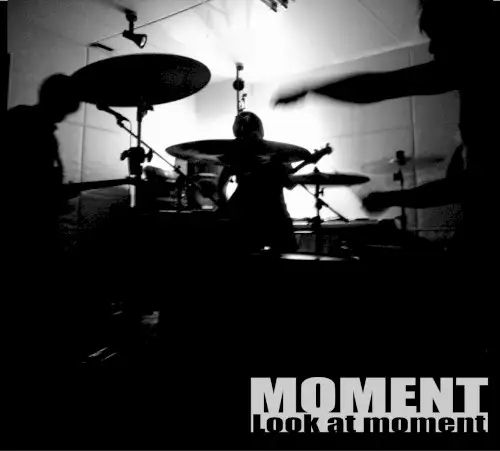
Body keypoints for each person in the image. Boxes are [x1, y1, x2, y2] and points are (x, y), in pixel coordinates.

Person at [272, 0, 499, 262]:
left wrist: (392, 198)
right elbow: (383, 85)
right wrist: (312, 90)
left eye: (438, 38)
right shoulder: (471, 74)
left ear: (466, 35)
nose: (432, 49)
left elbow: (466, 186)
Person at [4, 73, 81, 365]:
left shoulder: (32, 125)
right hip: (24, 234)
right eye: (66, 108)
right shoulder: (28, 126)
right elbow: (25, 185)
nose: (65, 116)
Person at [215, 111, 298, 254]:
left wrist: (224, 204)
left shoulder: (238, 153)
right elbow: (290, 184)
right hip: (274, 216)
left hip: (246, 217)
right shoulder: (277, 153)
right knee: (284, 257)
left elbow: (221, 183)